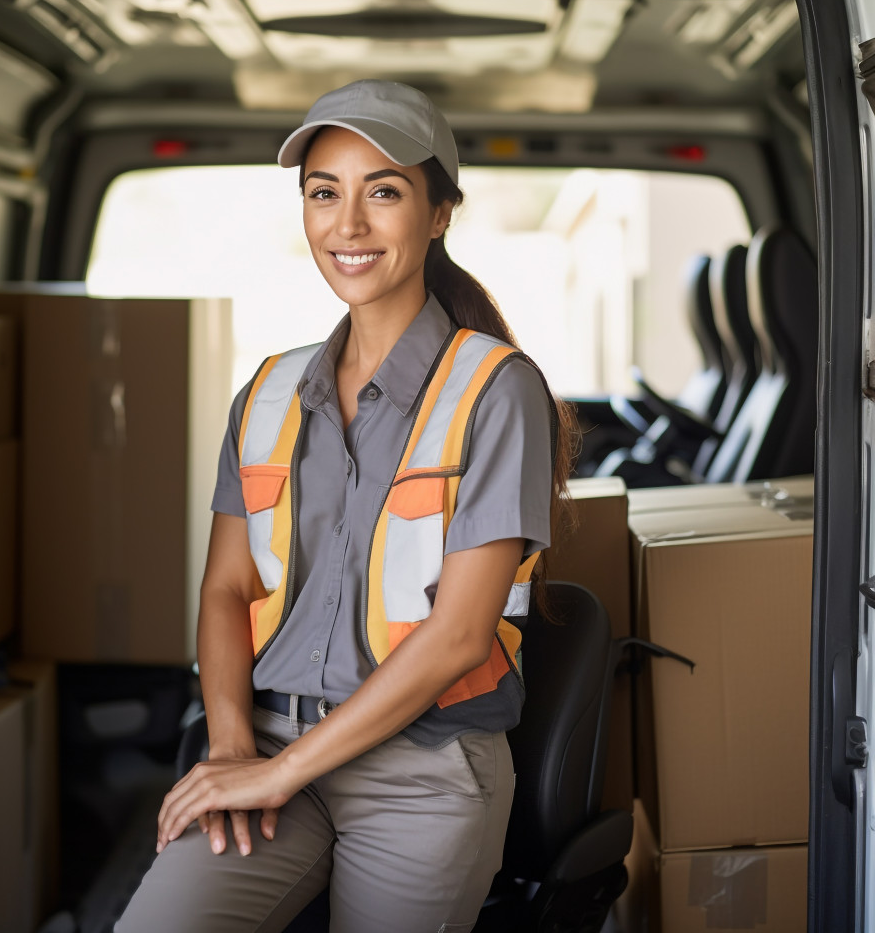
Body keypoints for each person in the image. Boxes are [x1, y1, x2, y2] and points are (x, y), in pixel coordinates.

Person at [115, 78, 577, 933]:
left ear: (440, 212)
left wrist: (277, 776)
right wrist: (230, 749)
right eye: (324, 193)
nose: (348, 225)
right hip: (268, 745)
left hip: (423, 775)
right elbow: (225, 590)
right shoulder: (268, 391)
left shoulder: (495, 389)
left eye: (385, 192)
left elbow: (459, 636)